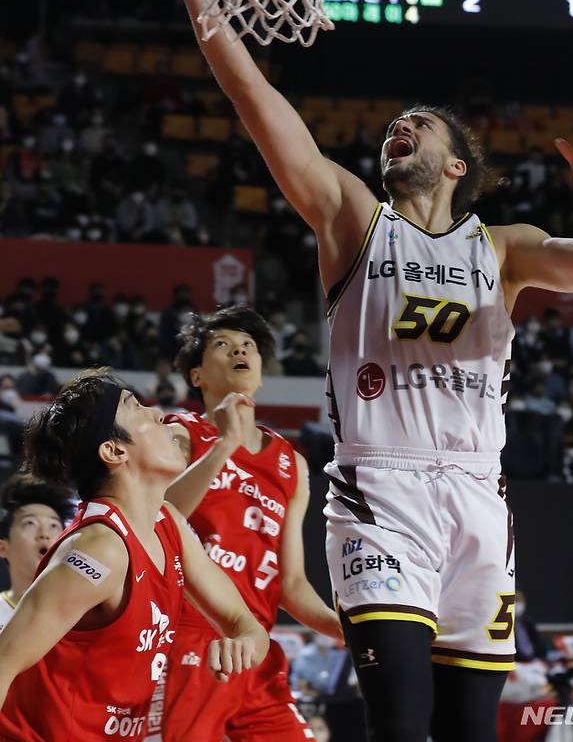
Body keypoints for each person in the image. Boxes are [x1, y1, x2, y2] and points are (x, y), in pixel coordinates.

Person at [135, 0, 573, 742]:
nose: (398, 128)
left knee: (471, 729)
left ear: (457, 163)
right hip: (381, 491)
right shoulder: (353, 218)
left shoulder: (502, 246)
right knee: (401, 722)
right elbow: (254, 96)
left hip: (480, 495)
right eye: (394, 126)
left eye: (420, 125)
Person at [0, 368, 268, 740]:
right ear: (114, 450)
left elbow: (244, 620)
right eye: (136, 407)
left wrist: (243, 644)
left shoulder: (167, 523)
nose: (160, 414)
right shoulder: (99, 549)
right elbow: (3, 662)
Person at [153, 305, 342, 741]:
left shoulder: (291, 463)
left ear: (260, 371)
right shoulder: (178, 433)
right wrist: (225, 445)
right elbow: (155, 519)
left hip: (256, 643)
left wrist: (341, 627)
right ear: (197, 376)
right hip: (191, 632)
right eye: (223, 344)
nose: (240, 350)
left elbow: (290, 583)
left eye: (249, 346)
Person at [0, 473, 74, 631]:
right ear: (3, 548)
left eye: (54, 526)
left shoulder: (84, 613)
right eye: (30, 523)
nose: (44, 534)